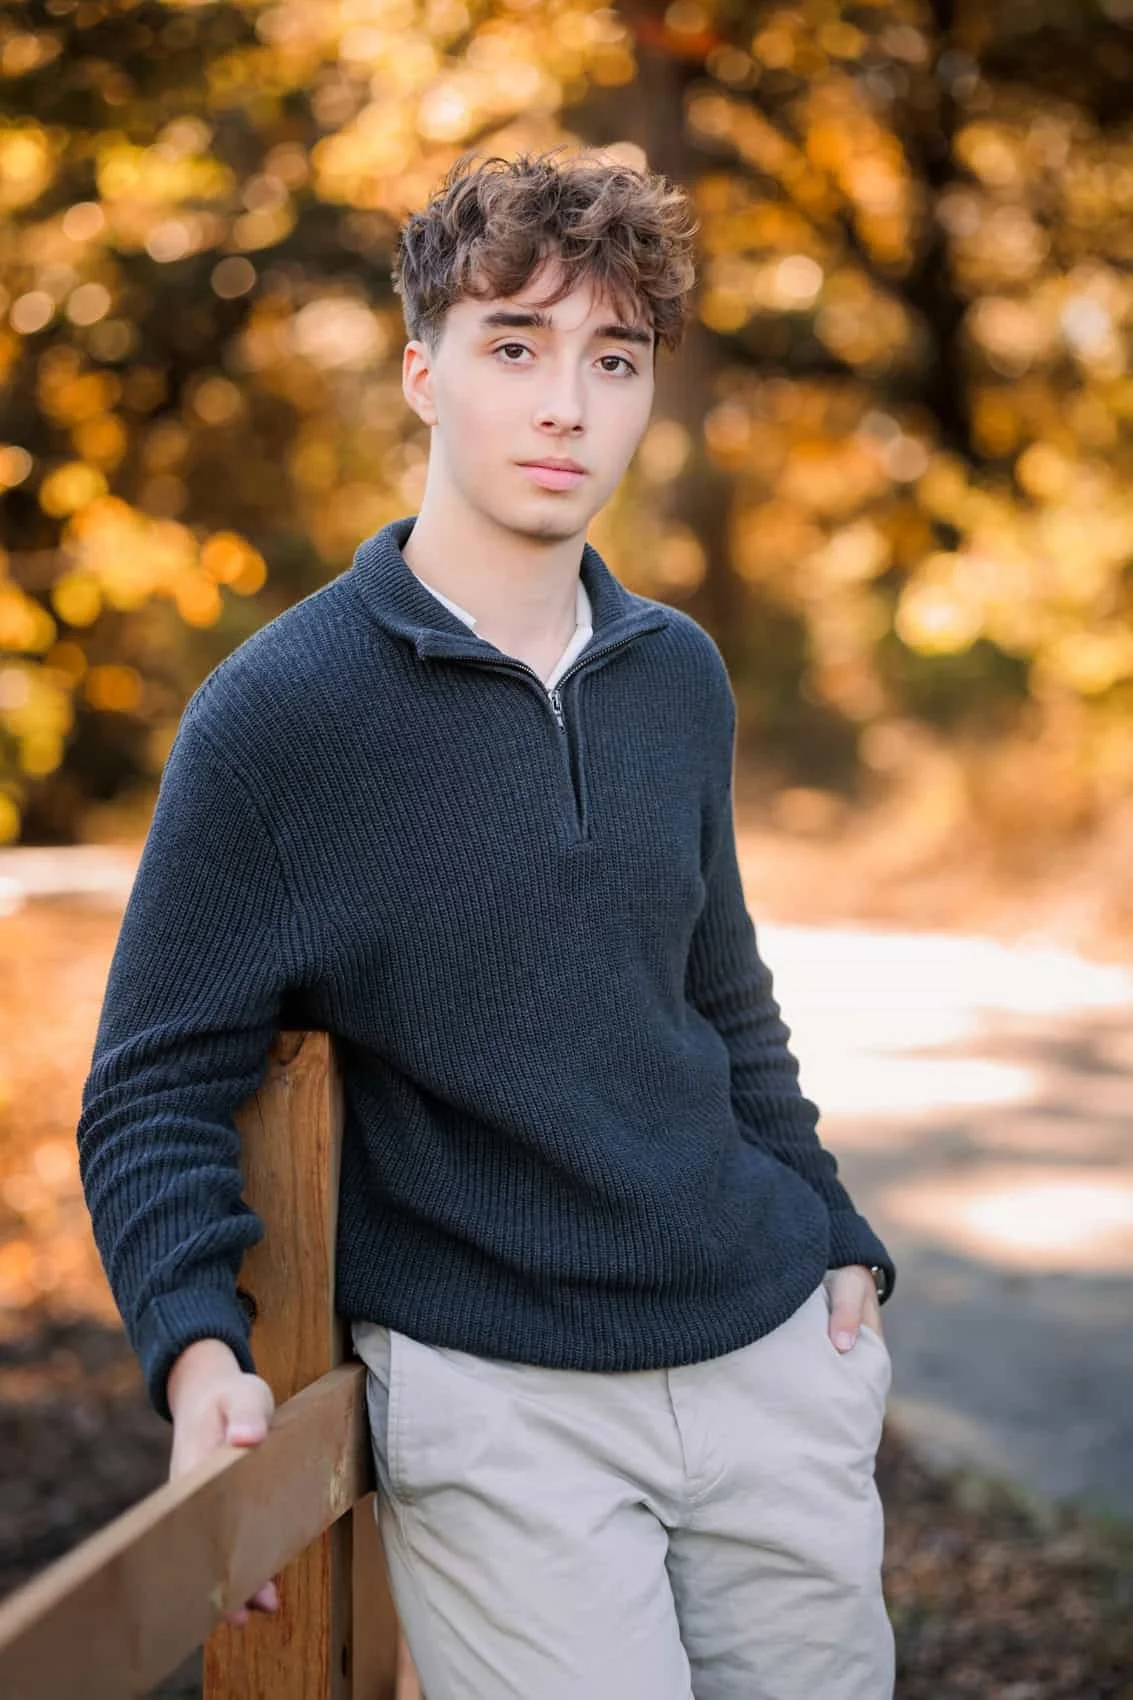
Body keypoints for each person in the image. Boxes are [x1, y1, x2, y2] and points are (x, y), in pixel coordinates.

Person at [77, 146, 897, 1699]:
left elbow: (722, 994)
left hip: (769, 1362)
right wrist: (197, 1353)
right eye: (515, 348)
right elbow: (151, 1084)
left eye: (613, 359)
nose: (565, 405)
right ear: (424, 375)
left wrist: (835, 1236)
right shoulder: (280, 717)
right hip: (504, 1405)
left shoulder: (678, 676)